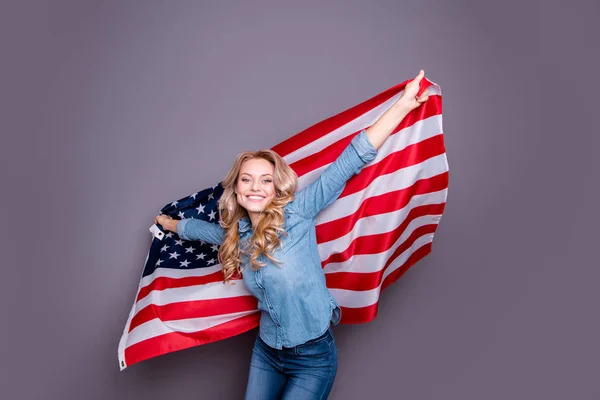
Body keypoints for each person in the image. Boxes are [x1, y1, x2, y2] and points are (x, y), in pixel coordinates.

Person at [154, 70, 430, 400]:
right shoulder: (239, 236)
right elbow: (206, 231)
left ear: (275, 188)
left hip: (313, 359)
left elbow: (351, 159)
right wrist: (169, 225)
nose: (255, 186)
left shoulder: (298, 212)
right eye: (246, 180)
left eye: (265, 180)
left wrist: (404, 104)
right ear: (237, 190)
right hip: (267, 352)